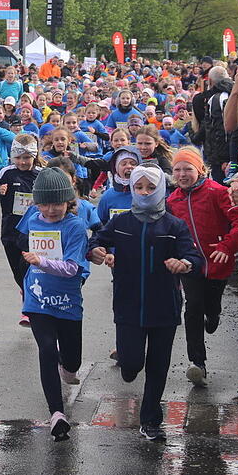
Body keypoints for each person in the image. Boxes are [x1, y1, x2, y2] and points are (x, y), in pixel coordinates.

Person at [87, 165, 204, 441]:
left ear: (162, 189)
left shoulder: (174, 225)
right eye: (139, 187)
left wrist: (184, 263)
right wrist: (95, 250)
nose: (144, 192)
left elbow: (195, 258)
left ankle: (151, 420)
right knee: (131, 363)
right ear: (132, 190)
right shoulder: (122, 222)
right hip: (127, 304)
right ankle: (128, 367)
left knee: (158, 365)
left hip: (165, 306)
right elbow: (97, 240)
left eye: (151, 188)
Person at [16, 167, 89, 441]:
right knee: (46, 348)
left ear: (68, 201)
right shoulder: (33, 219)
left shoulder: (75, 226)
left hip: (68, 300)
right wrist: (24, 270)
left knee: (71, 362)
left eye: (57, 203)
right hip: (38, 299)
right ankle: (56, 414)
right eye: (44, 203)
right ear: (36, 203)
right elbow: (18, 241)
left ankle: (67, 368)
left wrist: (41, 261)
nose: (51, 209)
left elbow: (72, 268)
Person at [166, 148, 238, 386]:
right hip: (190, 265)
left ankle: (214, 315)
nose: (182, 174)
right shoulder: (173, 200)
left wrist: (227, 246)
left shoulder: (218, 192)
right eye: (178, 170)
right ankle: (197, 363)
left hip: (219, 264)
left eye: (188, 169)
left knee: (210, 309)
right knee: (192, 308)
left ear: (200, 170)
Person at [0, 135, 42, 324]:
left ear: (34, 156)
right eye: (19, 157)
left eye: (27, 157)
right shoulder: (6, 173)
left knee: (30, 269)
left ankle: (29, 307)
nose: (23, 162)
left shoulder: (42, 174)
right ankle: (24, 290)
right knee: (18, 272)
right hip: (10, 231)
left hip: (34, 231)